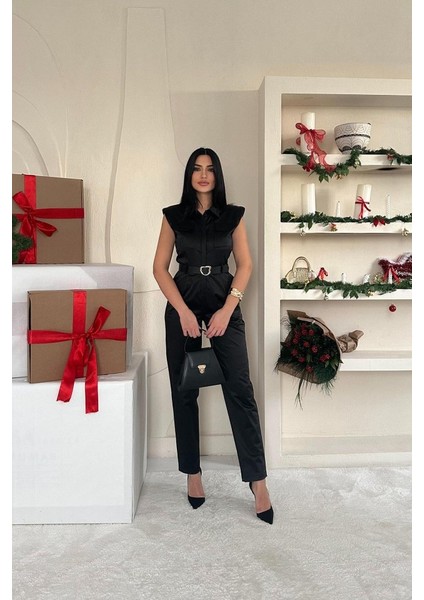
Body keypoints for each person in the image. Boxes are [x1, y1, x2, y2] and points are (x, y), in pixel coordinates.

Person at [153, 147, 273, 524]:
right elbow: (159, 268)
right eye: (196, 168)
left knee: (240, 389)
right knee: (184, 390)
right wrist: (184, 312)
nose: (203, 175)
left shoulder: (233, 216)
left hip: (224, 300)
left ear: (217, 175)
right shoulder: (173, 216)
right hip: (183, 302)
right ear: (189, 175)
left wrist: (227, 309)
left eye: (209, 169)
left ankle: (257, 480)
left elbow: (246, 265)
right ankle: (193, 473)